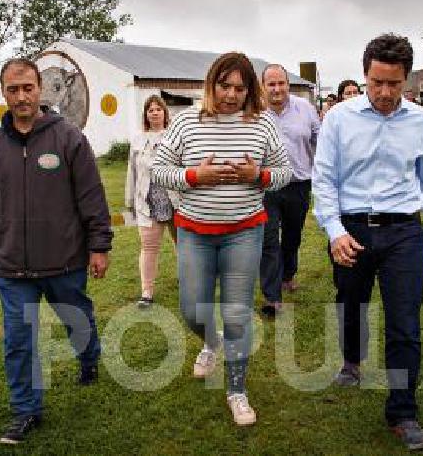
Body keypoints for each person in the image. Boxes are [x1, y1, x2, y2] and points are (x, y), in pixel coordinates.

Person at [0, 58, 113, 445]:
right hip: (13, 266)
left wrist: (99, 246)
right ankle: (26, 410)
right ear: (3, 93)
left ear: (40, 89)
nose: (21, 96)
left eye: (27, 88)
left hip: (64, 261)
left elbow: (91, 198)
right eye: (12, 90)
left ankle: (88, 358)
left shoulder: (68, 139)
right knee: (18, 339)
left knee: (77, 321)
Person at [312, 34, 423, 451]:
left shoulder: (421, 122)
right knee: (351, 301)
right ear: (365, 75)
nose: (385, 93)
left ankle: (403, 413)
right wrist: (334, 231)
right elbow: (324, 179)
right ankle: (352, 361)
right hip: (352, 228)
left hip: (404, 230)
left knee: (405, 322)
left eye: (394, 84)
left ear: (405, 79)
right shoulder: (339, 119)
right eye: (376, 82)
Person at [151, 52, 291, 426]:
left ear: (250, 91)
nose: (231, 95)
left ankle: (237, 390)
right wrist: (196, 176)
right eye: (224, 86)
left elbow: (285, 172)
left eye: (239, 88)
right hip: (194, 232)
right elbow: (159, 171)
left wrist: (258, 176)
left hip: (244, 231)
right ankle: (210, 344)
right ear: (211, 84)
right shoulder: (185, 122)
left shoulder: (262, 124)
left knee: (237, 313)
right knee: (192, 308)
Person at [259, 64, 320, 315]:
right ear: (263, 87)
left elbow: (319, 139)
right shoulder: (254, 112)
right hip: (266, 186)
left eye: (281, 83)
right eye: (271, 84)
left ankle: (288, 274)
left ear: (288, 84)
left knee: (292, 236)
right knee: (268, 238)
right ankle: (272, 295)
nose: (277, 89)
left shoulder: (305, 109)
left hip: (298, 184)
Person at [125, 95, 179, 308]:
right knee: (149, 247)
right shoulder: (138, 140)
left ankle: (188, 281)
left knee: (183, 245)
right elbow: (132, 172)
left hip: (176, 200)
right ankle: (147, 291)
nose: (154, 112)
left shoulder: (175, 137)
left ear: (165, 113)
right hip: (148, 202)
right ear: (146, 115)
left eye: (158, 109)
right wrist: (130, 201)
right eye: (150, 110)